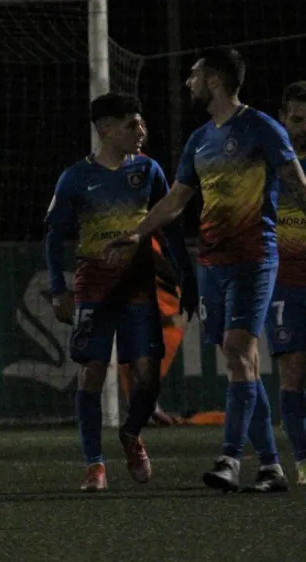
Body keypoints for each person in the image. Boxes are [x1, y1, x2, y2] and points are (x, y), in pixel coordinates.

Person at [106, 48, 306, 493]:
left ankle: (230, 459)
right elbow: (176, 200)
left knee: (238, 351)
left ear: (214, 81)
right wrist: (140, 233)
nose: (187, 81)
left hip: (255, 258)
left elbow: (296, 180)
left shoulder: (261, 128)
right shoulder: (199, 140)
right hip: (213, 263)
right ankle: (271, 466)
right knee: (243, 364)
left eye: (194, 74)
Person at [45, 93, 196, 491]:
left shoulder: (149, 170)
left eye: (142, 123)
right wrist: (58, 290)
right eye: (132, 125)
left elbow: (171, 225)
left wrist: (186, 276)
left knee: (148, 377)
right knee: (91, 373)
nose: (141, 131)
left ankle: (131, 434)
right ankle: (94, 464)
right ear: (106, 129)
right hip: (94, 286)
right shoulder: (76, 177)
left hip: (138, 287)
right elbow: (54, 234)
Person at [271, 80, 306, 486]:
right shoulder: (267, 164)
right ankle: (303, 461)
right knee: (292, 374)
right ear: (282, 117)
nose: (301, 127)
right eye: (295, 119)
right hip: (284, 284)